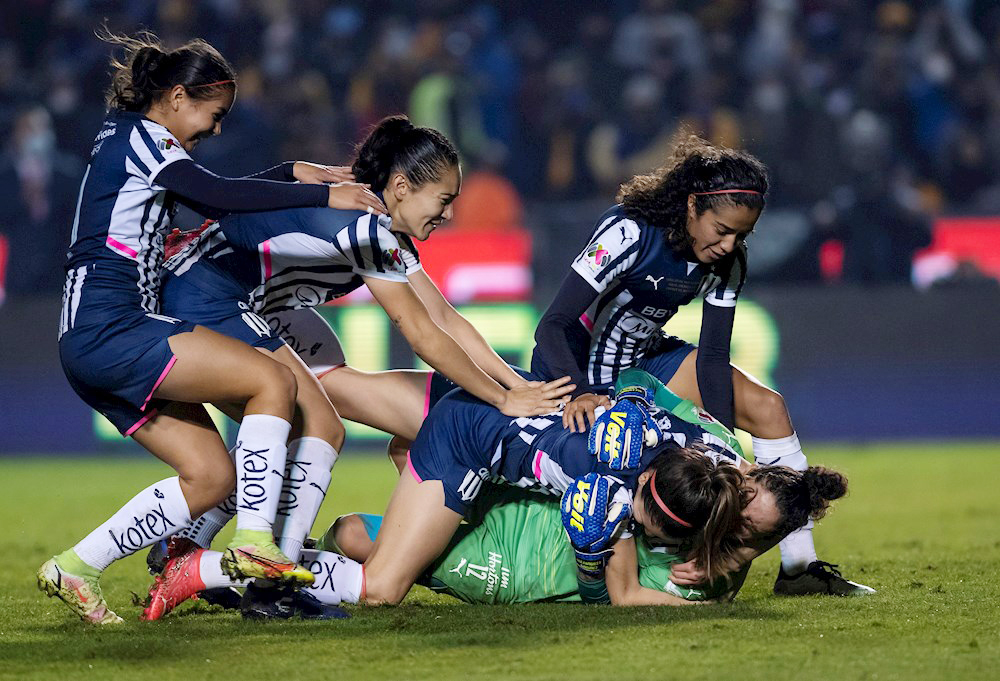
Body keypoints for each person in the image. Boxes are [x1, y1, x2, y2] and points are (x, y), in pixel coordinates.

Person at [154, 114, 571, 617]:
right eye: (443, 200)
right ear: (400, 186)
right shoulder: (365, 226)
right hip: (204, 300)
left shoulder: (380, 226)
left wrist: (511, 384)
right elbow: (422, 335)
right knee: (315, 422)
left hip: (254, 304)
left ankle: (193, 545)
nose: (450, 215)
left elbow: (445, 319)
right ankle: (270, 583)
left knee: (315, 404)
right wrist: (505, 399)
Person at [37, 29, 387, 625]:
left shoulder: (130, 139)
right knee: (271, 383)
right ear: (176, 97)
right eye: (213, 114)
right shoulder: (143, 140)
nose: (216, 129)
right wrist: (330, 199)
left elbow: (210, 191)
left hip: (91, 339)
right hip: (111, 326)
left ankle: (76, 566)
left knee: (209, 476)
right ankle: (254, 543)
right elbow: (219, 196)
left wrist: (299, 172)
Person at [530, 133, 873, 596]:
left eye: (742, 235)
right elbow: (553, 324)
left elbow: (712, 357)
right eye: (722, 230)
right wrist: (579, 392)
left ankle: (799, 569)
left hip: (645, 361)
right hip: (578, 369)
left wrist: (722, 443)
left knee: (768, 408)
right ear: (693, 205)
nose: (730, 246)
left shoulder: (727, 262)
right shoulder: (628, 234)